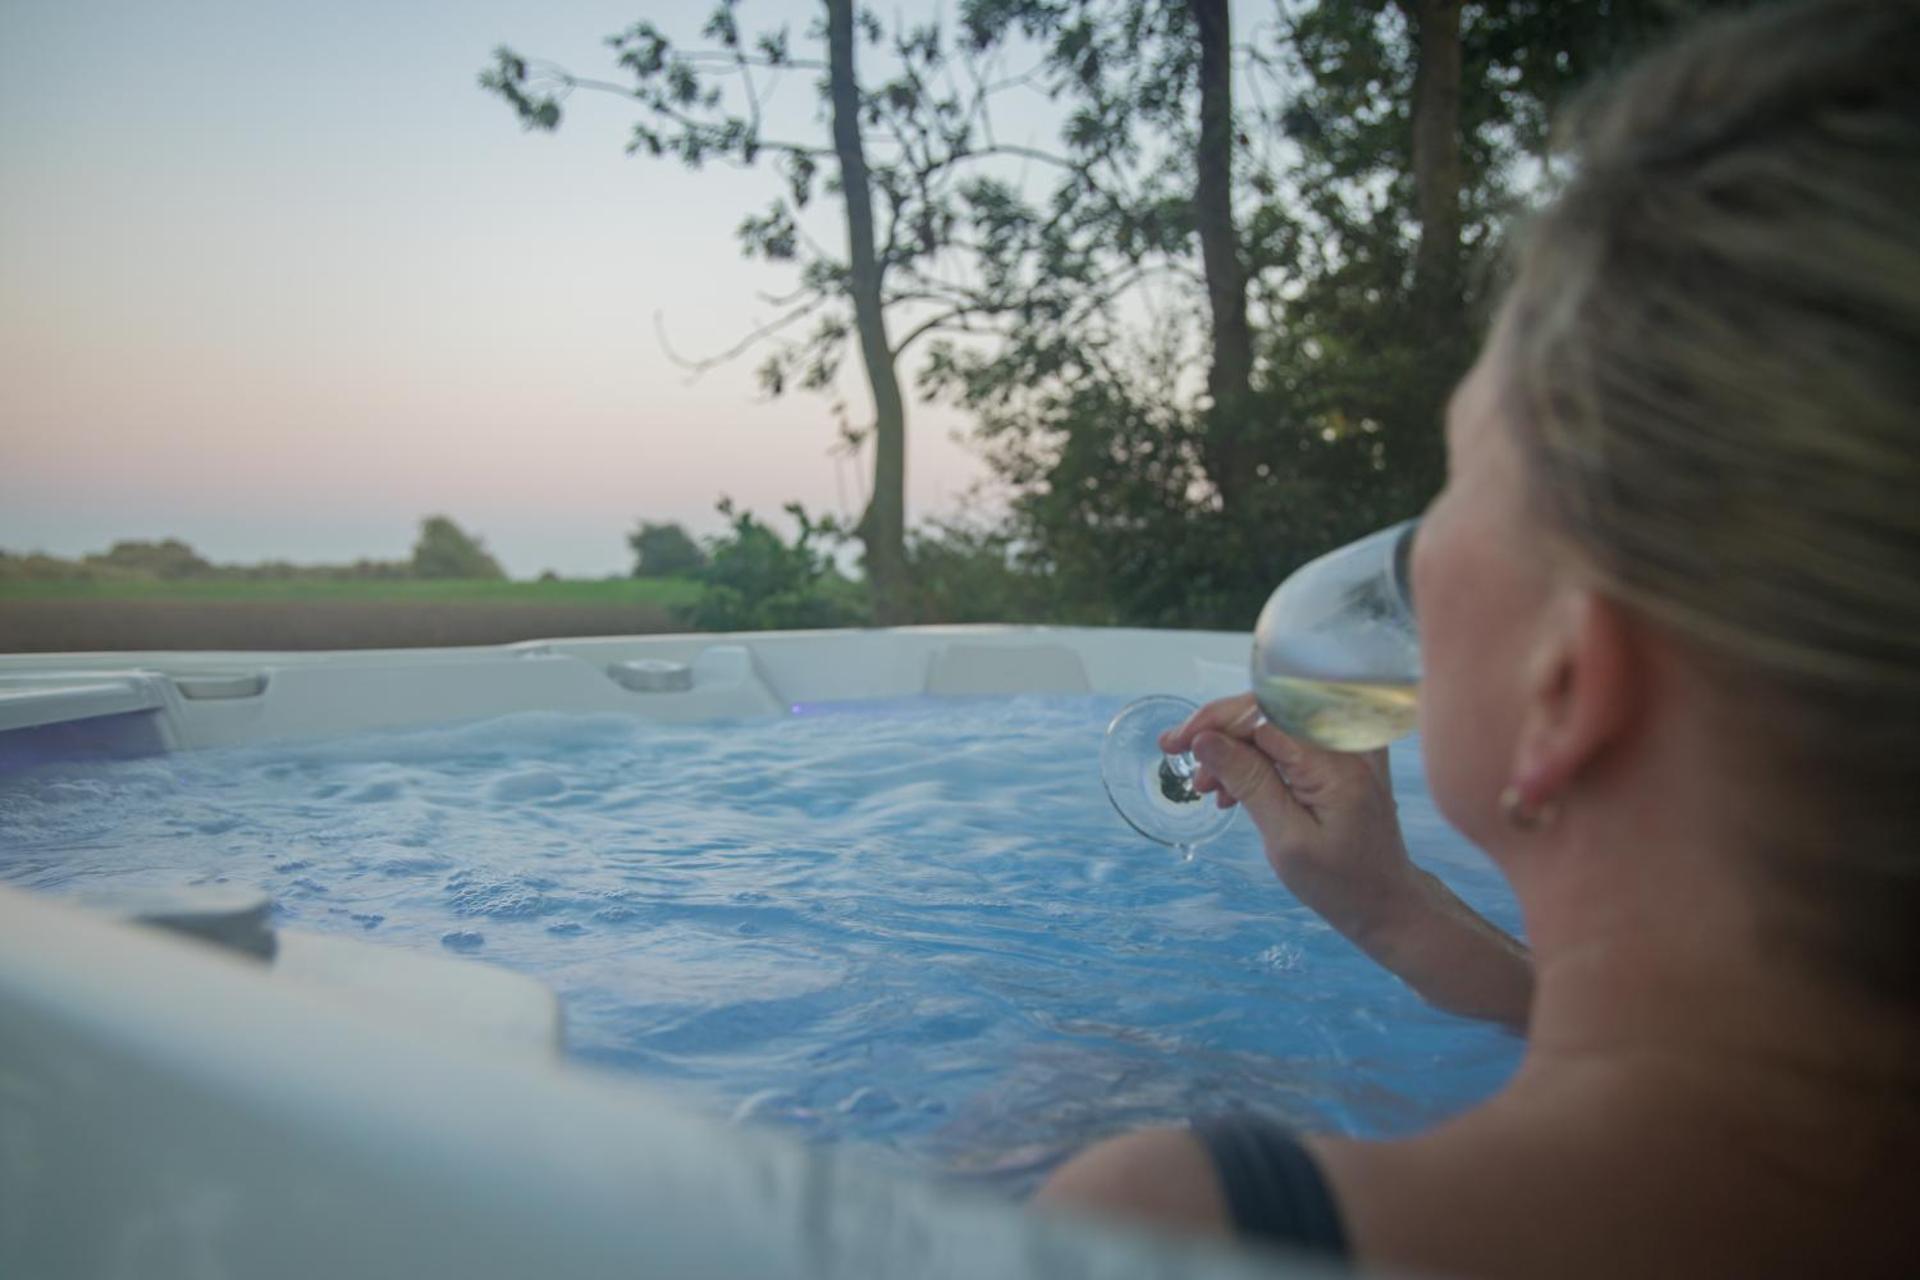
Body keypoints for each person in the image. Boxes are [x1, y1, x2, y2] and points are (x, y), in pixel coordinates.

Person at [1034, 2, 1920, 1275]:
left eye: (1452, 485)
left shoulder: (1186, 1225)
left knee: (1062, 1086)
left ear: (1561, 686)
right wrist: (1395, 911)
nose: (1414, 548)